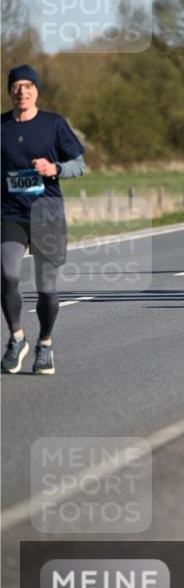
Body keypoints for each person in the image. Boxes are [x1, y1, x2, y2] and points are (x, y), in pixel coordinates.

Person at [1, 65, 85, 375]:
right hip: (9, 214)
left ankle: (45, 344)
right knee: (7, 274)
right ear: (10, 90)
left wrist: (56, 170)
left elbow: (79, 165)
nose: (22, 91)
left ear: (36, 90)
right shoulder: (2, 127)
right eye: (16, 86)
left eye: (28, 85)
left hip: (47, 213)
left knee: (46, 287)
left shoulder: (54, 125)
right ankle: (16, 338)